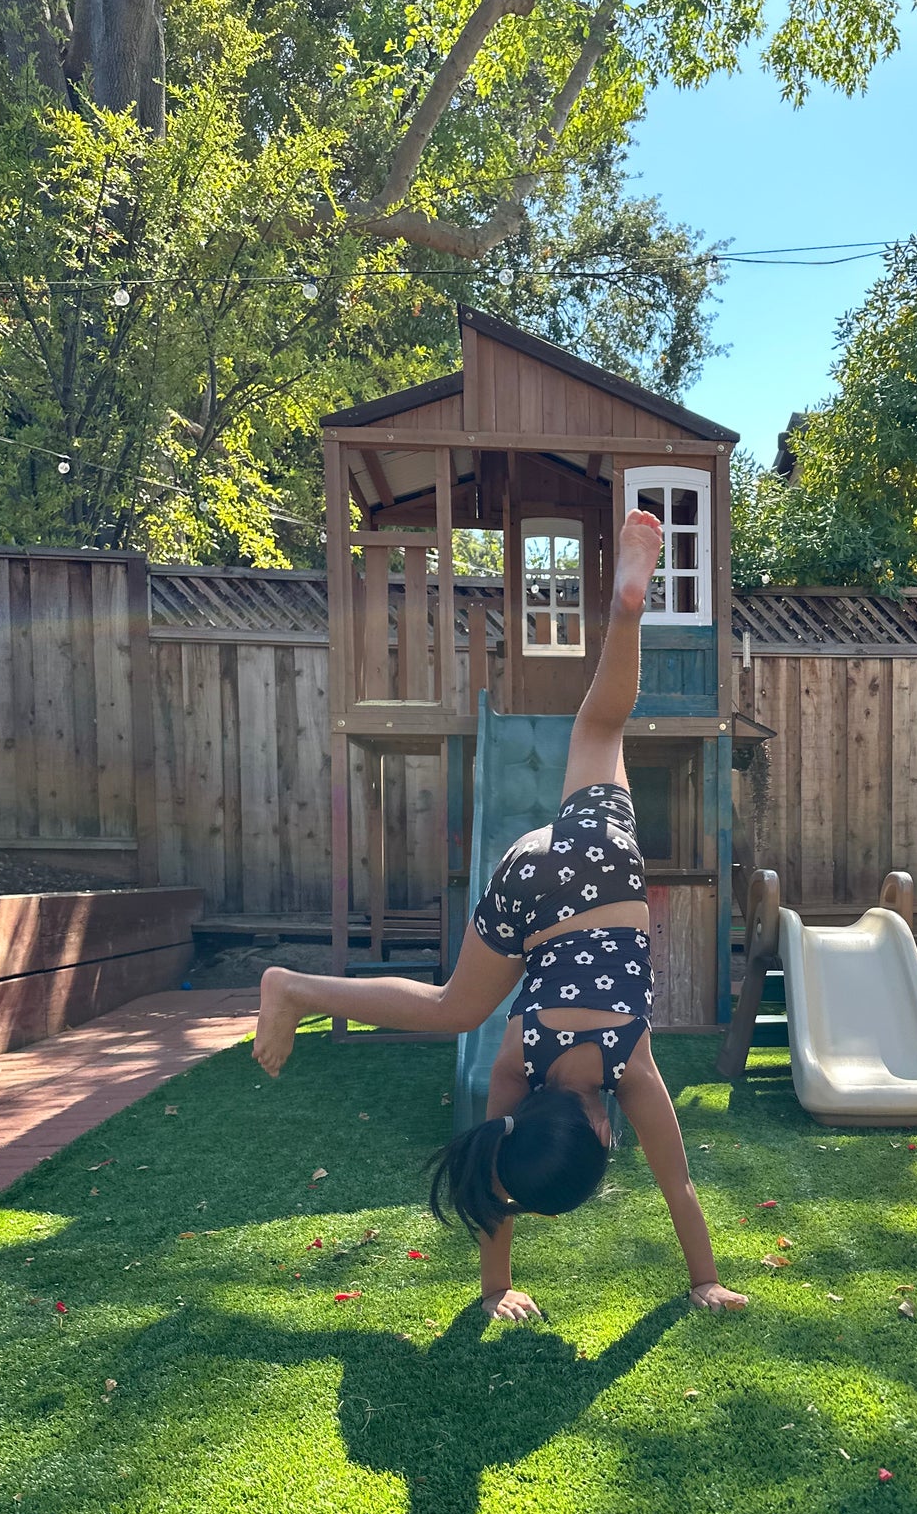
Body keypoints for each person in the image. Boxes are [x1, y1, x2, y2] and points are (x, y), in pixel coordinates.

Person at [253, 508, 749, 1322]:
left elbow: (678, 1183)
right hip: (532, 878)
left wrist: (704, 1278)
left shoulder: (632, 1065)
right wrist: (493, 1288)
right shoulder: (516, 1068)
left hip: (600, 863)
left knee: (601, 722)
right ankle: (298, 988)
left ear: (601, 1133)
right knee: (454, 1008)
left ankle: (629, 605)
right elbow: (495, 1172)